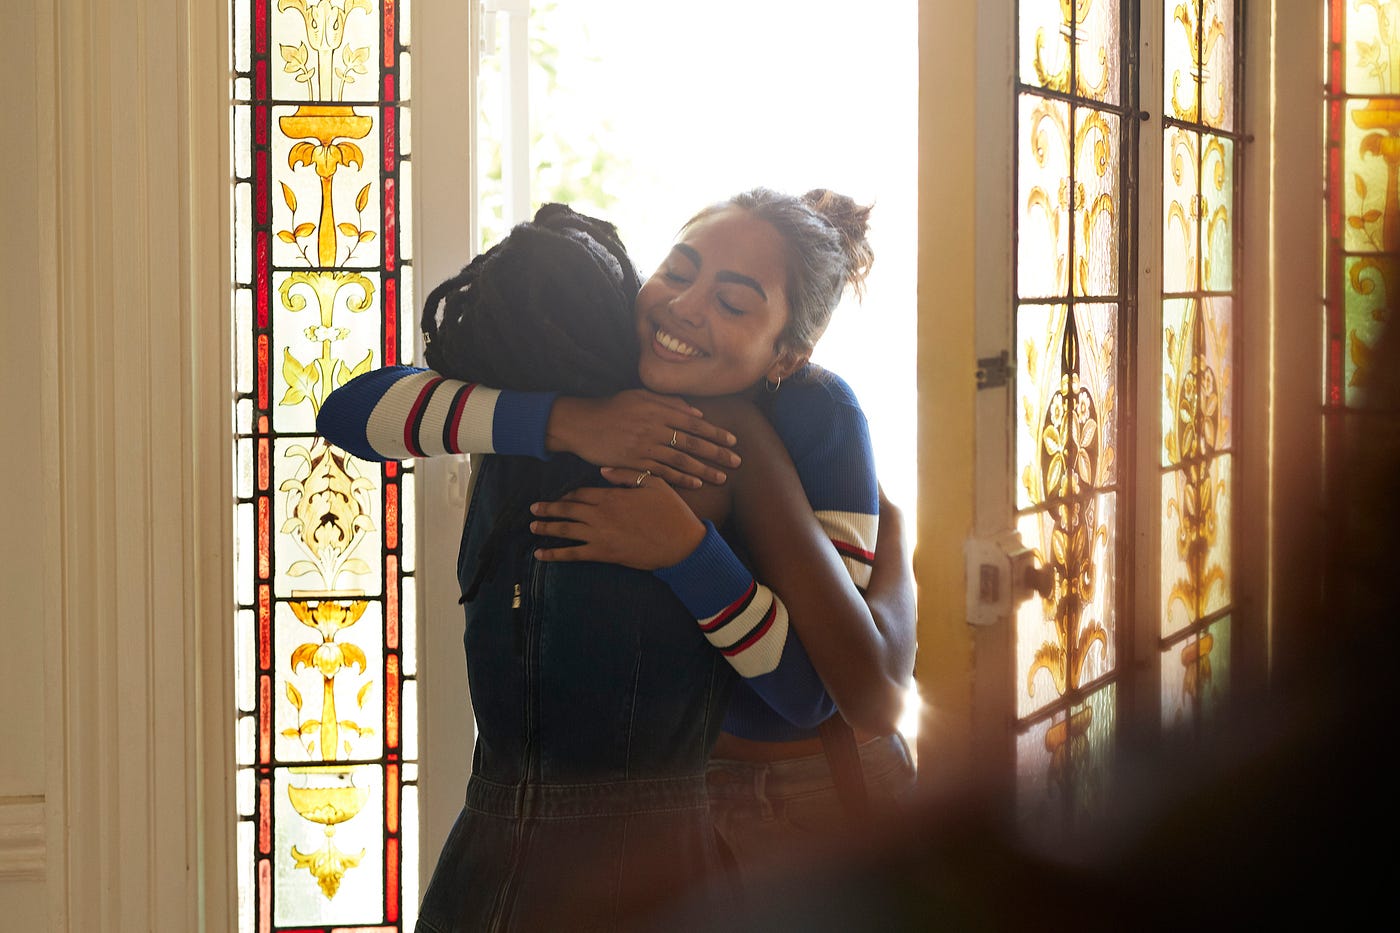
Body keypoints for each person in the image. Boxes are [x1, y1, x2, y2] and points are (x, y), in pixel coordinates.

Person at [317, 191, 915, 928]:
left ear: (786, 355)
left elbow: (829, 695)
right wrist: (570, 422)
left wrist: (690, 552)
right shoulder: (595, 370)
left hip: (804, 789)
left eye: (732, 303)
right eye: (677, 272)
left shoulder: (802, 424)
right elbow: (348, 413)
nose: (688, 307)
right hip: (622, 811)